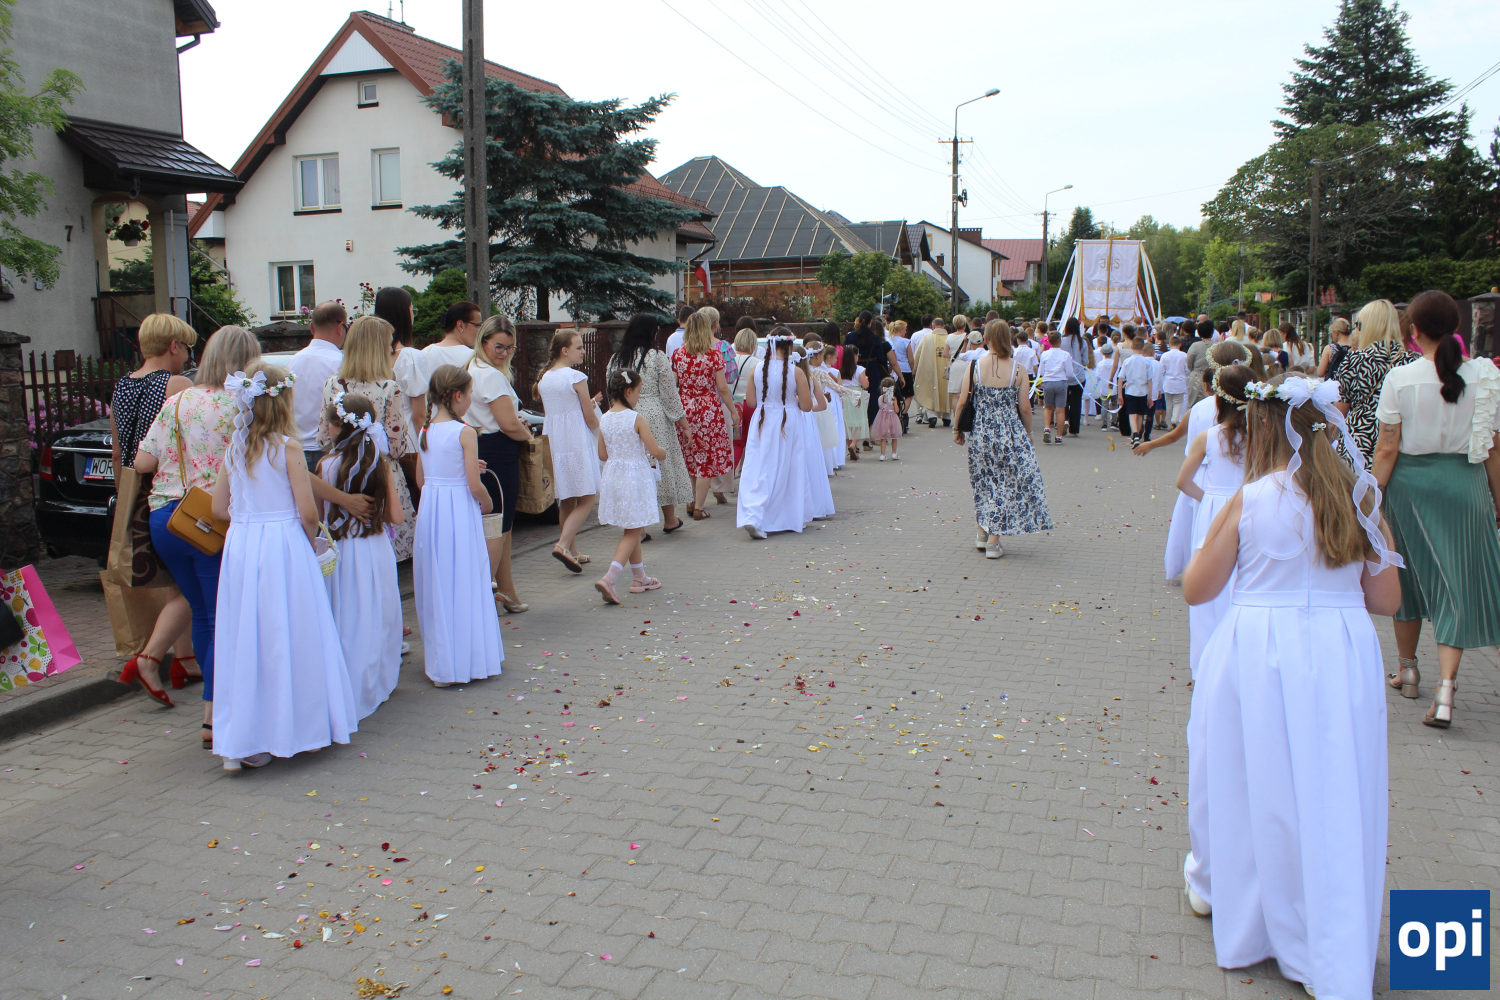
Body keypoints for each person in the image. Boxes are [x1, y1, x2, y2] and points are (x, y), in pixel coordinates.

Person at [1181, 372, 1402, 1000]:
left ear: (1266, 431)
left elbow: (1198, 588)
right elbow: (1387, 599)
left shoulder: (1251, 500)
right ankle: (1327, 934)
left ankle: (1241, 907)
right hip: (1339, 656)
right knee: (1334, 786)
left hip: (1258, 653)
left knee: (1250, 779)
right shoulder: (1360, 501)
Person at [210, 361, 359, 770]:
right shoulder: (288, 448)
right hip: (283, 546)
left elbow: (218, 508)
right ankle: (298, 730)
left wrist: (249, 519)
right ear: (283, 401)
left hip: (243, 545)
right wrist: (310, 543)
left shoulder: (235, 449)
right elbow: (308, 511)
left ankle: (242, 741)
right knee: (291, 633)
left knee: (247, 637)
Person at [1371, 289, 1500, 727]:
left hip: (1410, 487)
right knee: (1455, 583)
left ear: (1413, 329)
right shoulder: (1485, 376)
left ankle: (1408, 670)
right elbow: (1492, 447)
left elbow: (1387, 448)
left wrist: (1371, 496)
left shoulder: (1401, 379)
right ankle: (1447, 688)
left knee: (1406, 578)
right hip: (1466, 486)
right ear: (1458, 327)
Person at [131, 325, 261, 735]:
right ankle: (213, 716)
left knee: (202, 612)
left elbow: (143, 463)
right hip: (212, 520)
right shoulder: (244, 404)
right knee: (219, 616)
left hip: (167, 519)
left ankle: (212, 709)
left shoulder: (178, 400)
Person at [110, 313, 199, 702]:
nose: (188, 356)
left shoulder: (121, 386)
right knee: (189, 579)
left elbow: (118, 452)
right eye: (187, 348)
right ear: (173, 346)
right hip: (169, 490)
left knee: (173, 581)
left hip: (135, 492)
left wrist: (124, 497)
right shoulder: (177, 385)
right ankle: (152, 657)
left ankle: (186, 659)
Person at [412, 364, 504, 688]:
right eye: (470, 395)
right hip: (458, 511)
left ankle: (443, 661)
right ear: (457, 396)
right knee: (464, 577)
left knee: (439, 579)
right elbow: (473, 484)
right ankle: (469, 657)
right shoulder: (465, 432)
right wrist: (487, 504)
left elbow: (422, 479)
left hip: (433, 510)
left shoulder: (425, 431)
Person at [317, 393, 404, 720]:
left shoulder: (325, 465)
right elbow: (396, 516)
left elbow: (319, 516)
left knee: (347, 616)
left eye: (329, 423)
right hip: (374, 547)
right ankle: (377, 680)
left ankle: (346, 682)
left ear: (338, 426)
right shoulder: (379, 463)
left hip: (341, 550)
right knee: (378, 614)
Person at [1135, 342, 1253, 581]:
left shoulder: (1200, 408)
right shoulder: (1253, 416)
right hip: (1240, 485)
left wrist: (1150, 445)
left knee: (1195, 526)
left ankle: (1196, 569)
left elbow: (1175, 436)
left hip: (1200, 478)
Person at [953, 319, 1054, 558]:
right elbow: (1025, 408)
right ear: (1009, 339)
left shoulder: (974, 366)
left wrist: (957, 429)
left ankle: (982, 534)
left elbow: (962, 401)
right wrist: (1030, 433)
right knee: (1004, 485)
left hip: (980, 433)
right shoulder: (1018, 369)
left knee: (983, 483)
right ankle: (993, 542)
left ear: (986, 339)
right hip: (1009, 435)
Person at [318, 316, 416, 561]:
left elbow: (323, 439)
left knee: (343, 551)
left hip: (340, 475)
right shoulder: (388, 387)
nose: (391, 349)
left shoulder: (333, 384)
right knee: (382, 550)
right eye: (388, 343)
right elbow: (397, 448)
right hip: (380, 475)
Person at [1176, 362, 1251, 677]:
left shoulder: (1208, 437)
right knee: (1244, 578)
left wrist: (1208, 498)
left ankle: (1205, 663)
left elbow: (1183, 482)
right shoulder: (1261, 436)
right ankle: (1240, 659)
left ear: (1218, 399)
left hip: (1214, 508)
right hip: (1250, 504)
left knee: (1209, 579)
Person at [465, 315, 535, 613]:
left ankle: (506, 590)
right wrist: (528, 438)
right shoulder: (490, 375)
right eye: (499, 347)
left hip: (484, 447)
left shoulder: (473, 367)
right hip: (497, 451)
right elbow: (507, 423)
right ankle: (484, 593)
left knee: (500, 527)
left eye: (509, 348)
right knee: (498, 528)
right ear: (483, 342)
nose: (504, 353)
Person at [609, 314, 692, 532]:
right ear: (650, 332)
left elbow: (611, 389)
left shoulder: (616, 358)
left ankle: (639, 528)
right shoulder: (655, 356)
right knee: (660, 466)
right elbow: (669, 394)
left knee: (634, 468)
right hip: (654, 416)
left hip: (624, 415)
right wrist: (683, 424)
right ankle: (670, 519)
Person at [593, 369, 668, 603]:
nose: (639, 396)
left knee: (632, 526)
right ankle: (610, 578)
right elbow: (654, 450)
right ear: (628, 391)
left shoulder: (605, 418)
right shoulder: (636, 418)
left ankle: (639, 578)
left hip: (614, 477)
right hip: (634, 478)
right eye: (638, 391)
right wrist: (663, 452)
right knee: (633, 530)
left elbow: (602, 454)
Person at [737, 329, 815, 538]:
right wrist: (794, 399)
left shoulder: (757, 369)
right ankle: (784, 516)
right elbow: (807, 406)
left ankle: (753, 514)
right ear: (789, 346)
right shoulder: (796, 372)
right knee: (787, 469)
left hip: (762, 421)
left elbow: (751, 402)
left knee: (760, 467)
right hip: (787, 422)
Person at [537, 329, 601, 570]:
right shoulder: (575, 376)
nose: (583, 351)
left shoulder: (545, 378)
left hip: (556, 441)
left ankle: (572, 551)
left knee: (567, 499)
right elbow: (589, 417)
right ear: (565, 350)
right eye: (579, 347)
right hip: (575, 441)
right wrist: (602, 436)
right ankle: (563, 544)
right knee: (587, 496)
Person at [671, 307, 737, 518]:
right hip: (708, 409)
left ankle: (691, 502)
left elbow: (673, 386)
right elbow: (723, 388)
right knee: (706, 460)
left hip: (685, 408)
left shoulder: (678, 354)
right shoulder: (714, 355)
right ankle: (699, 507)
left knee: (690, 457)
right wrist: (733, 411)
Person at [1335, 299, 1416, 465]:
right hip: (1399, 445)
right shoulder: (1412, 361)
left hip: (1358, 445)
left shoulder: (1354, 360)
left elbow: (1339, 413)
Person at [286, 300, 347, 470]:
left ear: (311, 328)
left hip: (293, 449)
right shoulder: (341, 363)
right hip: (328, 451)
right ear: (340, 327)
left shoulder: (291, 362)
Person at [377, 285, 426, 461]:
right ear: (404, 314)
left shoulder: (371, 357)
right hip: (409, 446)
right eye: (412, 310)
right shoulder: (411, 357)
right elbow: (419, 415)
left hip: (377, 445)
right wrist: (428, 451)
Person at [422, 300, 484, 383]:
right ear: (460, 325)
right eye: (477, 325)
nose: (480, 330)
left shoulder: (426, 353)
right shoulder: (473, 357)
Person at [912, 317, 950, 428]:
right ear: (943, 326)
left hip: (930, 370)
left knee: (929, 392)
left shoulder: (927, 338)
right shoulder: (949, 338)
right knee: (946, 392)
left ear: (933, 326)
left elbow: (918, 354)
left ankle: (932, 416)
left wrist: (913, 369)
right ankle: (946, 416)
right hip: (946, 371)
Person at [1118, 335, 1156, 444]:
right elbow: (1150, 380)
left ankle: (1134, 434)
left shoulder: (1127, 361)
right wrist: (1151, 396)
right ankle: (1137, 435)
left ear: (1132, 346)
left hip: (1130, 390)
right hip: (1142, 391)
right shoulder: (1147, 362)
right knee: (1140, 415)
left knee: (1132, 414)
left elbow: (1121, 378)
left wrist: (1120, 395)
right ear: (1143, 348)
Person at [1037, 329, 1072, 445]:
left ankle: (1047, 428)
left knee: (1048, 408)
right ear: (1060, 341)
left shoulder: (1044, 354)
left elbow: (1041, 371)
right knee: (1060, 410)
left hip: (1048, 382)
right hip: (1061, 382)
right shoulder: (1066, 355)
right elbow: (1069, 372)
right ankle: (1058, 436)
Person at [1060, 317, 1092, 436]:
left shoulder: (1062, 341)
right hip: (1079, 376)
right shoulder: (1082, 342)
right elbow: (1085, 361)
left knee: (1063, 401)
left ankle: (1064, 419)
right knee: (1076, 402)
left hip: (1064, 375)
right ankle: (1074, 429)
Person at [839, 346, 869, 462]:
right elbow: (865, 385)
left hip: (845, 395)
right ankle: (853, 444)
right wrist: (867, 379)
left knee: (847, 422)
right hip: (856, 395)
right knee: (858, 422)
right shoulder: (860, 369)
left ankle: (851, 446)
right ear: (855, 356)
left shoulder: (840, 370)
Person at [870, 376, 902, 460]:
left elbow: (880, 407)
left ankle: (882, 455)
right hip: (893, 419)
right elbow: (897, 410)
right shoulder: (894, 398)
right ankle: (894, 453)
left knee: (883, 437)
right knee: (894, 437)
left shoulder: (880, 398)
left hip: (882, 418)